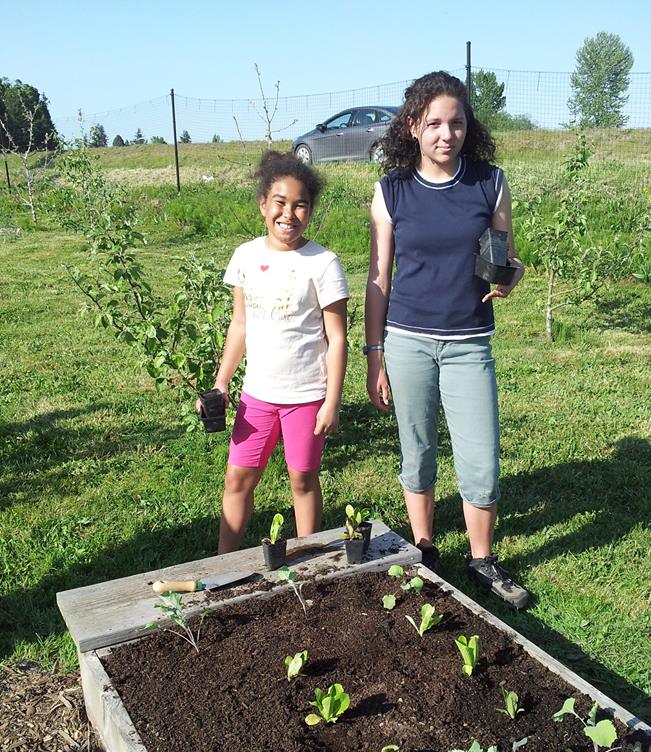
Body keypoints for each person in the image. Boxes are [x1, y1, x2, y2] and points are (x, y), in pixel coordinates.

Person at [364, 71, 530, 609]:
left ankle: (482, 561)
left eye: (456, 122)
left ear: (467, 126)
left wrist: (510, 275)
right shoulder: (391, 191)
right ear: (413, 126)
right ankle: (425, 550)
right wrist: (374, 356)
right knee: (418, 453)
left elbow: (501, 255)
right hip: (407, 340)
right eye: (433, 122)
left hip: (468, 343)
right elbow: (379, 278)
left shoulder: (490, 182)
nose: (446, 133)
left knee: (481, 459)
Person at [206, 151, 349, 554]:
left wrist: (331, 402)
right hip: (257, 396)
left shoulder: (323, 263)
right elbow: (240, 325)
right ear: (263, 205)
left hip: (306, 397)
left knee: (302, 480)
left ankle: (309, 563)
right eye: (280, 203)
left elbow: (337, 338)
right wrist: (222, 382)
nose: (289, 213)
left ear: (310, 210)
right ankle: (224, 562)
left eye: (300, 204)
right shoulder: (245, 257)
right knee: (238, 479)